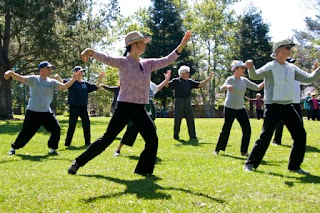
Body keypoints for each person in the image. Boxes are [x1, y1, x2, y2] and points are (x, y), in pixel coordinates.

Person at [68, 30, 192, 176]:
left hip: (140, 109)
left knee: (152, 139)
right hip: (124, 107)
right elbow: (106, 58)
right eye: (142, 42)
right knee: (107, 139)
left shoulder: (148, 64)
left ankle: (143, 171)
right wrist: (90, 52)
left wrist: (182, 45)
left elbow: (168, 59)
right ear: (132, 44)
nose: (145, 45)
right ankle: (77, 163)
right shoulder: (123, 62)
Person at [243, 39, 320, 174]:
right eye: (287, 47)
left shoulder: (292, 68)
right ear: (278, 50)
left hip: (288, 106)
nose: (290, 50)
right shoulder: (270, 66)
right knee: (266, 136)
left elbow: (309, 79)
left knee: (300, 135)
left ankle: (294, 166)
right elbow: (255, 75)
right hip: (273, 106)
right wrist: (250, 68)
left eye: (290, 48)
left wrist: (318, 69)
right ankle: (250, 164)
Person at [4, 61, 81, 155]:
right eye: (48, 68)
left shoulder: (52, 82)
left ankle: (52, 149)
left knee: (56, 129)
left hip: (46, 112)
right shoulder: (34, 79)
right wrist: (10, 72)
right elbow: (20, 78)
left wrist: (74, 79)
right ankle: (14, 148)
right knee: (26, 133)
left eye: (51, 68)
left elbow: (64, 86)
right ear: (41, 69)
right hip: (33, 111)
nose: (50, 70)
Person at [114, 71, 171, 156]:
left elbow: (157, 88)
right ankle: (118, 150)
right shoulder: (136, 81)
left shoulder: (151, 84)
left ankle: (150, 151)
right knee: (131, 130)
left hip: (149, 111)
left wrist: (166, 80)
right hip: (137, 110)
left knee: (151, 132)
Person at [214, 60, 264, 156]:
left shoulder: (244, 80)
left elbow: (257, 87)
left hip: (240, 108)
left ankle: (244, 151)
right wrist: (227, 86)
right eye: (242, 68)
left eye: (244, 67)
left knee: (247, 129)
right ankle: (218, 149)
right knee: (226, 129)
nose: (244, 69)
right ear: (235, 69)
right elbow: (221, 88)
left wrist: (266, 80)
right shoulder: (230, 79)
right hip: (230, 108)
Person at [53, 66, 105, 147]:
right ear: (75, 72)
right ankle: (67, 143)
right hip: (74, 106)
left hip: (83, 107)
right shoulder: (71, 81)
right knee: (72, 125)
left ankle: (87, 143)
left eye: (82, 72)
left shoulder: (85, 83)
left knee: (86, 124)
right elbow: (63, 84)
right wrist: (57, 77)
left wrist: (101, 78)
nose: (81, 73)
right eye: (80, 71)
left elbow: (95, 87)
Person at [167, 65, 214, 140]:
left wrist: (208, 79)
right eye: (187, 72)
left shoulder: (189, 81)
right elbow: (167, 85)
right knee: (178, 119)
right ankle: (176, 136)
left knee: (190, 118)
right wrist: (167, 79)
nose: (189, 74)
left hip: (187, 101)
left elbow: (200, 84)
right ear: (182, 73)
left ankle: (193, 136)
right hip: (179, 100)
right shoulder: (176, 81)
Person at [272, 57, 302, 145]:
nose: (293, 64)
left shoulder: (297, 75)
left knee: (299, 123)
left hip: (296, 102)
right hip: (286, 102)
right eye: (291, 62)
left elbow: (307, 81)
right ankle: (276, 140)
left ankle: (297, 141)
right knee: (280, 123)